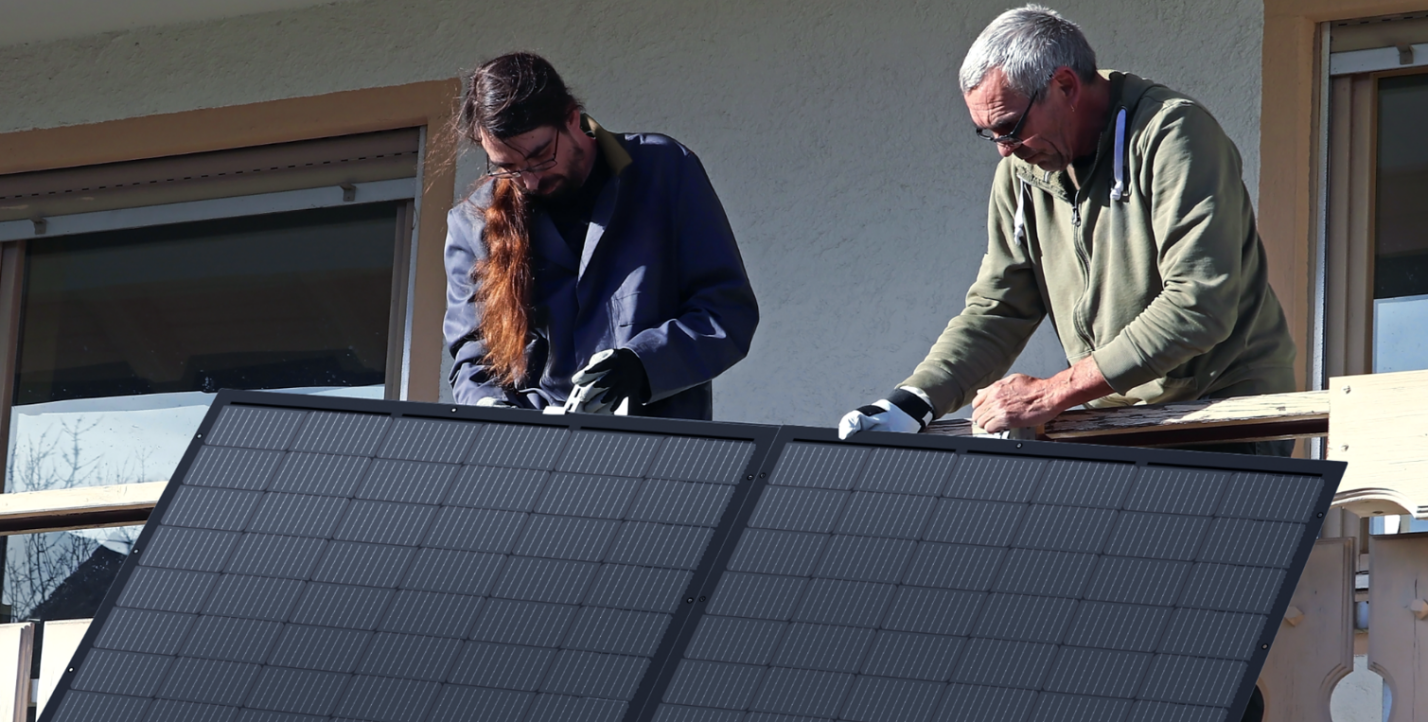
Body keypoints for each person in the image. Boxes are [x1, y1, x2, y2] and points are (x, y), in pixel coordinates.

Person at [839, 5, 1296, 459]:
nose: (1003, 151)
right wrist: (911, 402)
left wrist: (1054, 392)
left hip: (1220, 415)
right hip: (1110, 418)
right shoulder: (1021, 172)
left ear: (1064, 86)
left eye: (1009, 127)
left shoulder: (1172, 134)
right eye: (987, 134)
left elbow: (1199, 303)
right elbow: (999, 309)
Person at [444, 52, 758, 419]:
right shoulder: (472, 222)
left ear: (572, 118)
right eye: (507, 168)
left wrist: (641, 365)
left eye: (541, 156)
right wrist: (489, 408)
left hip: (657, 457)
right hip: (529, 456)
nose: (529, 180)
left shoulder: (664, 169)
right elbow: (473, 355)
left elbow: (726, 311)